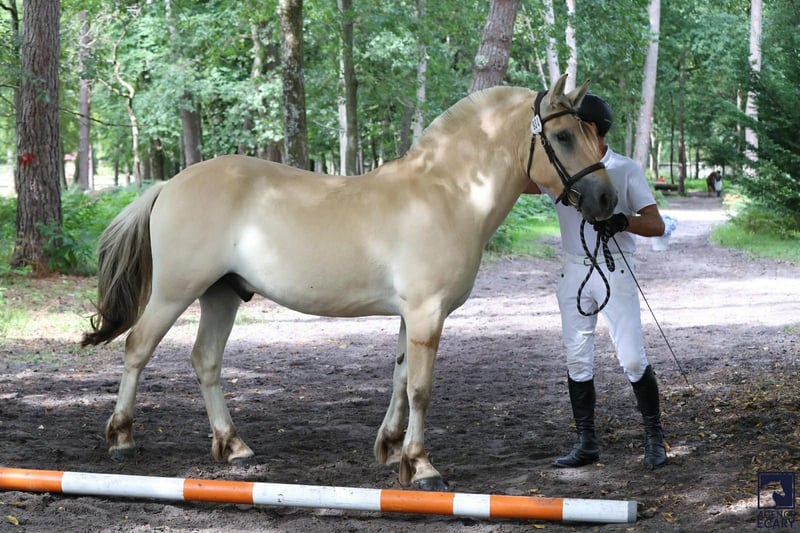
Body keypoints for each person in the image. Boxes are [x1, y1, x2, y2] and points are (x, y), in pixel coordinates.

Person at [525, 94, 668, 469]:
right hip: (574, 270)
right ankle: (586, 442)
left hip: (615, 268)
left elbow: (656, 224)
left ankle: (655, 438)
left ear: (589, 128)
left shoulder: (624, 169)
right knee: (577, 359)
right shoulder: (561, 167)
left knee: (632, 358)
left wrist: (623, 221)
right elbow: (521, 180)